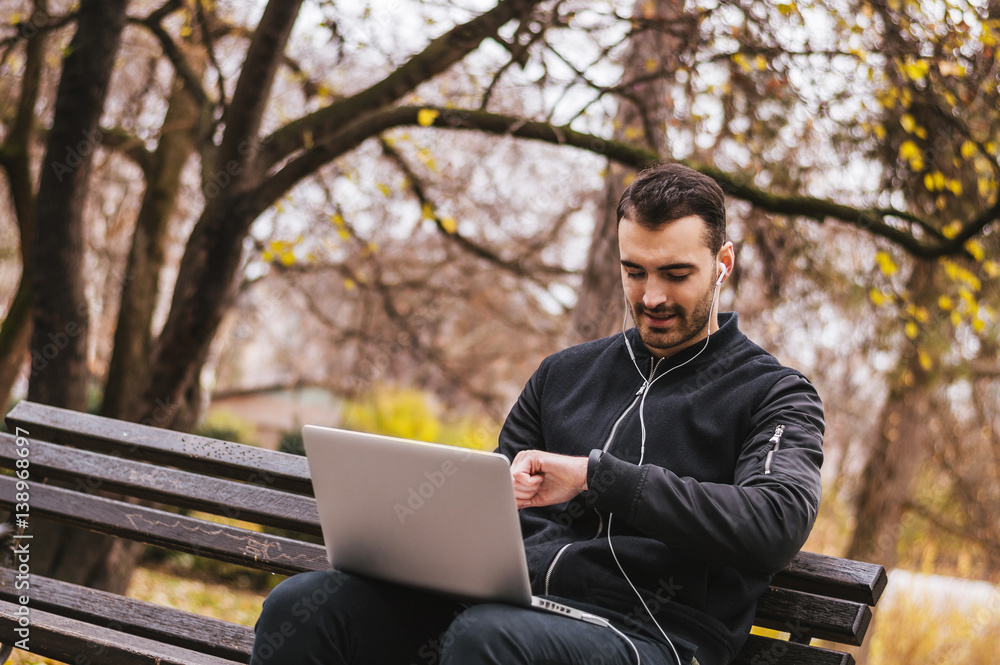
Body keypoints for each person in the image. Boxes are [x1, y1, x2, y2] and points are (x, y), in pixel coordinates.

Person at [249, 162, 824, 665]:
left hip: (652, 637)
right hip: (508, 608)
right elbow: (489, 511)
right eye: (634, 271)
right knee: (303, 607)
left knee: (489, 639)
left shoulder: (773, 394)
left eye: (676, 274)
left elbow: (774, 522)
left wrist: (598, 478)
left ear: (723, 262)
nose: (651, 297)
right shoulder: (564, 375)